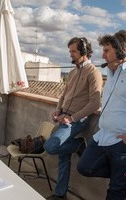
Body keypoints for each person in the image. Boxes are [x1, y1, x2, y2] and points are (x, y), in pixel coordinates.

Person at [44, 37, 103, 200]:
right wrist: (57, 111)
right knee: (63, 159)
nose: (70, 54)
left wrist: (72, 118)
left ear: (84, 51)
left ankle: (78, 145)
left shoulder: (94, 72)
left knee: (50, 147)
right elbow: (63, 95)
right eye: (69, 51)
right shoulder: (72, 72)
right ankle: (60, 194)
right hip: (63, 117)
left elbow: (95, 102)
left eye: (73, 51)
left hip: (77, 121)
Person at [77, 30, 126, 200]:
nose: (103, 55)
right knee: (84, 167)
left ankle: (121, 178)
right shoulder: (111, 73)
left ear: (122, 51)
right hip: (102, 136)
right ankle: (120, 175)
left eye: (107, 50)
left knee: (115, 192)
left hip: (121, 143)